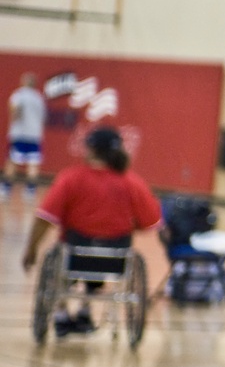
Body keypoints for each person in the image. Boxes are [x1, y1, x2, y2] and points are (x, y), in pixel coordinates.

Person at [21, 126, 162, 337]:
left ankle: (61, 312)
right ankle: (85, 309)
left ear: (90, 149)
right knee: (100, 258)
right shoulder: (131, 182)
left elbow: (44, 219)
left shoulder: (71, 178)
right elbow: (151, 221)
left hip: (74, 255)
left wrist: (31, 249)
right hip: (115, 260)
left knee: (66, 256)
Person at [2, 72, 47, 202]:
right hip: (35, 135)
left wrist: (16, 118)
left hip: (19, 133)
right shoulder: (39, 98)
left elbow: (14, 111)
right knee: (33, 163)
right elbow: (43, 118)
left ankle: (5, 188)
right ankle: (30, 191)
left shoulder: (18, 95)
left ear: (23, 82)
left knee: (13, 161)